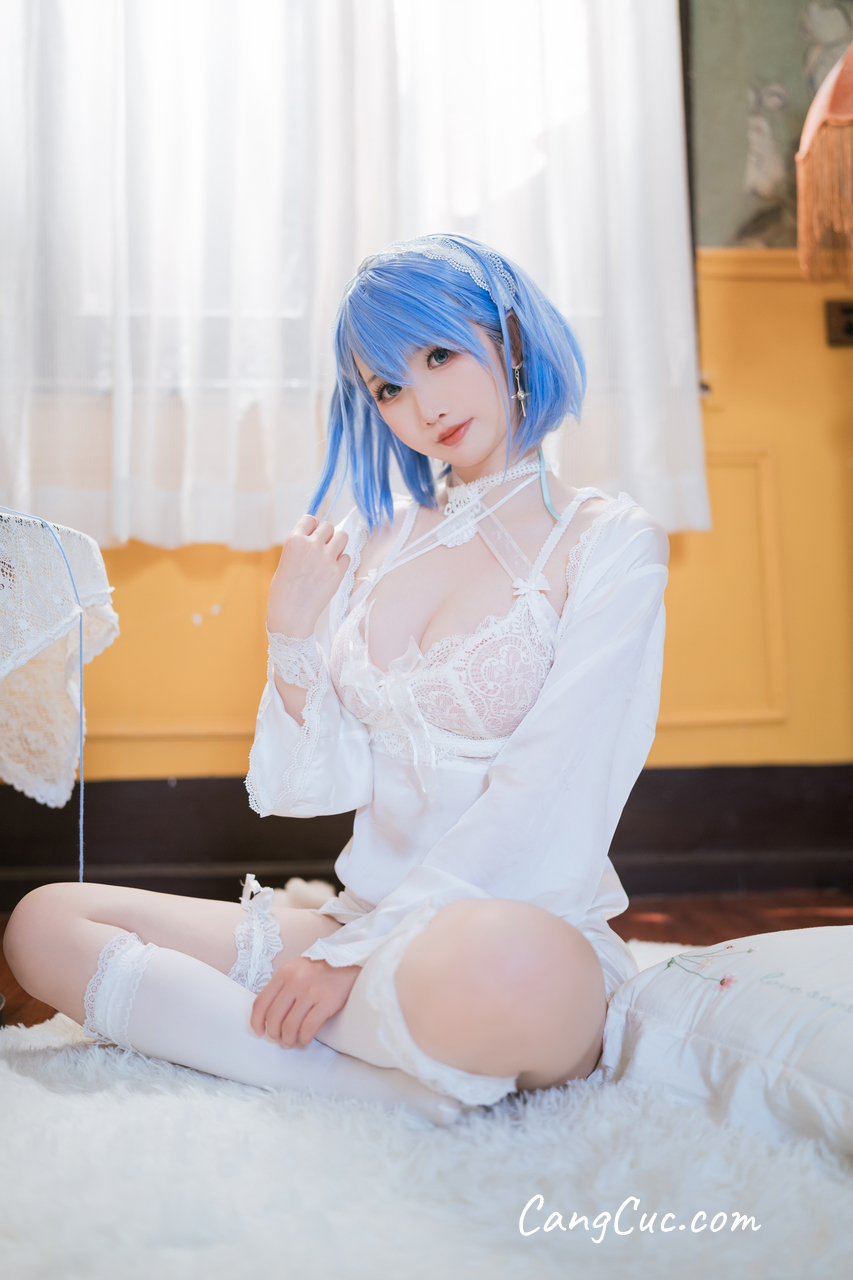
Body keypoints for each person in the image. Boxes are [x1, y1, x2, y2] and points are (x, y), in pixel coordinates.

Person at [4, 234, 668, 1125]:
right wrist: (290, 631)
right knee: (45, 923)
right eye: (388, 386)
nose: (423, 404)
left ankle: (284, 1041)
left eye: (439, 355)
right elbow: (318, 785)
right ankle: (374, 1089)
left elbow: (556, 790)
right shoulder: (373, 537)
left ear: (509, 336)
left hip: (508, 934)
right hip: (356, 918)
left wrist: (350, 961)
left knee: (505, 964)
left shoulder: (609, 540)